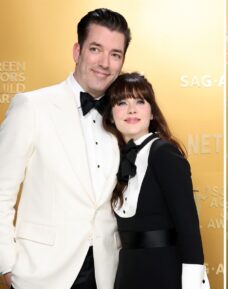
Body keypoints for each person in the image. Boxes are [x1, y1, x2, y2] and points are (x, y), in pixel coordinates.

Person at [0, 8, 131, 289]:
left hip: (105, 274)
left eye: (115, 54)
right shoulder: (32, 106)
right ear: (77, 51)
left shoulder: (124, 117)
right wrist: (7, 266)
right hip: (40, 274)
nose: (105, 63)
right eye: (96, 49)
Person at [102, 72, 209, 289]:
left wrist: (191, 283)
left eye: (140, 101)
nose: (131, 109)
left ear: (151, 113)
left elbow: (188, 225)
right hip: (127, 274)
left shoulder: (164, 153)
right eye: (122, 102)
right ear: (111, 115)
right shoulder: (112, 159)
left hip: (165, 272)